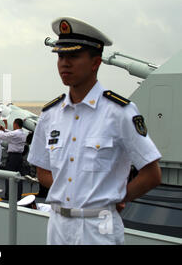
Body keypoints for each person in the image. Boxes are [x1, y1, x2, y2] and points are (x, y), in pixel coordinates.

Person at [27, 17, 162, 245]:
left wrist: (118, 197)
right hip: (58, 225)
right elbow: (43, 171)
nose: (64, 63)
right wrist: (74, 192)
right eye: (61, 56)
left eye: (73, 56)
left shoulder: (119, 112)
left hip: (99, 227)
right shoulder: (50, 114)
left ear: (95, 62)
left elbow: (151, 174)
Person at [0, 118, 27, 201]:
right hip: (20, 157)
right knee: (19, 177)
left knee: (9, 175)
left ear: (15, 124)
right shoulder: (23, 133)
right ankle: (18, 196)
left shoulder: (16, 133)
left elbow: (1, 136)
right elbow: (11, 133)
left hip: (13, 157)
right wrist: (4, 129)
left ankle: (8, 195)